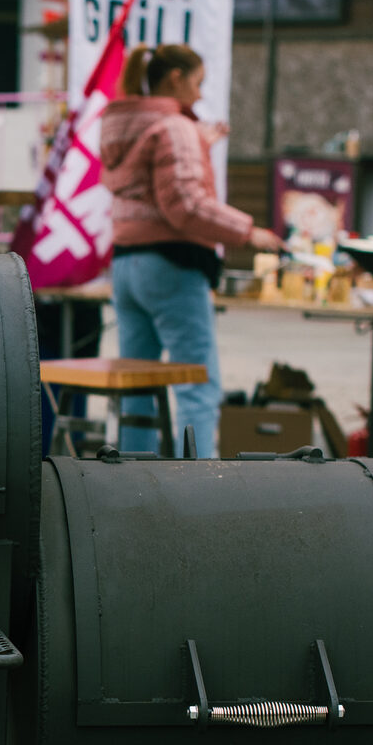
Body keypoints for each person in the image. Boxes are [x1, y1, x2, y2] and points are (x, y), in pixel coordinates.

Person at [99, 43, 283, 458]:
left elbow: (153, 179)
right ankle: (198, 483)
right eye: (198, 83)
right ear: (176, 79)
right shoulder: (175, 127)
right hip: (172, 265)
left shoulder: (122, 125)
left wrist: (199, 142)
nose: (201, 95)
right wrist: (248, 232)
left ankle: (130, 477)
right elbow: (185, 204)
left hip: (127, 264)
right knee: (197, 384)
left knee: (137, 385)